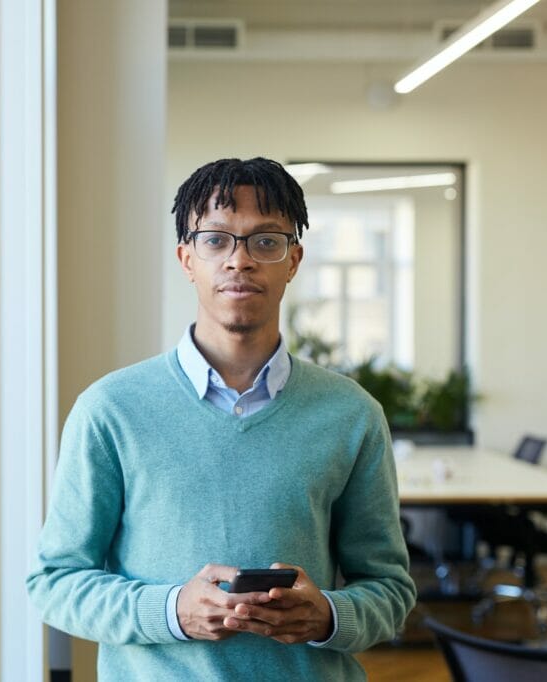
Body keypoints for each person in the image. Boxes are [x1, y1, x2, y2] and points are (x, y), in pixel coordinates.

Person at [26, 157, 416, 680]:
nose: (240, 261)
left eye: (265, 241)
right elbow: (55, 582)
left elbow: (390, 589)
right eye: (216, 240)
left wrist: (327, 615)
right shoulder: (111, 409)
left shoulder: (351, 414)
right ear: (186, 258)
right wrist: (172, 611)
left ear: (293, 259)